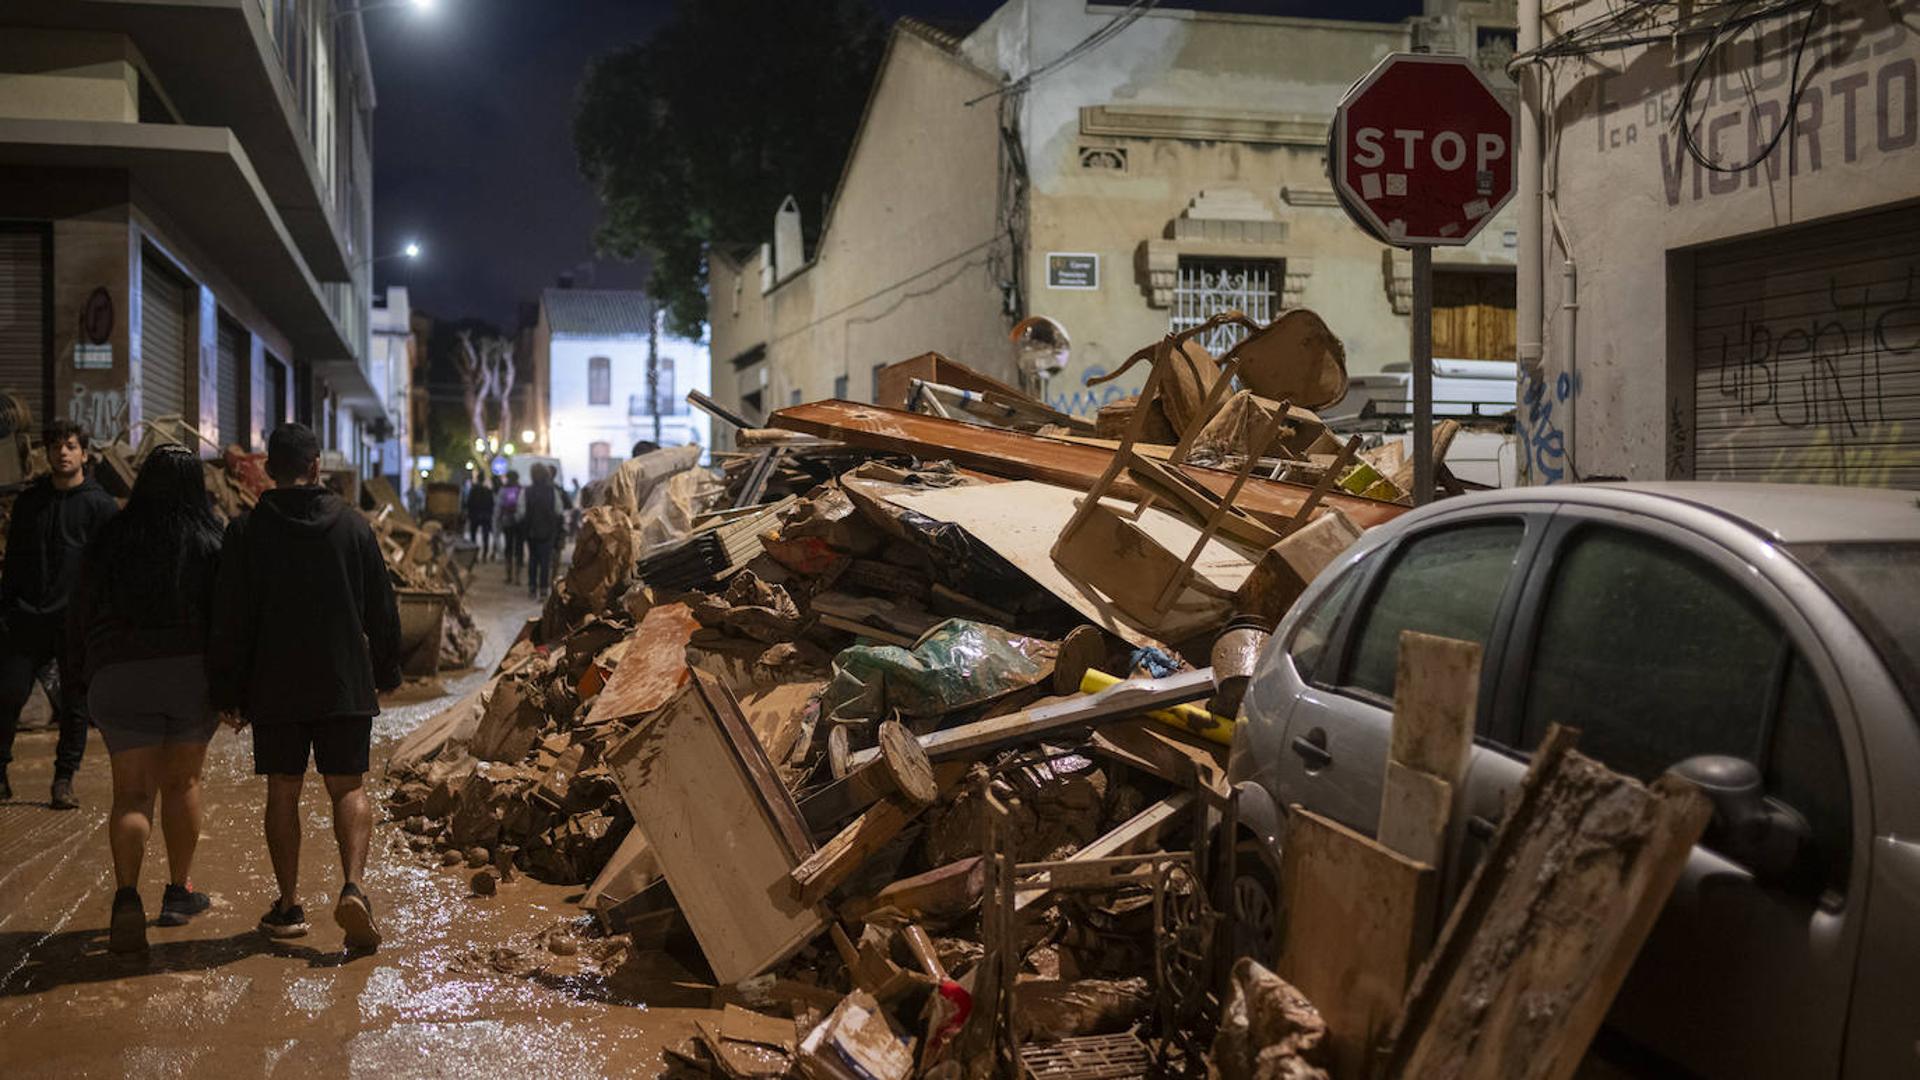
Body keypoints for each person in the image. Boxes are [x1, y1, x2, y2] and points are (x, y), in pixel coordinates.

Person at [209, 423, 401, 951]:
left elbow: (230, 618)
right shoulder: (353, 527)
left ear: (270, 470)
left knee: (283, 791)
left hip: (275, 685)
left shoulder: (246, 532)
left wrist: (227, 691)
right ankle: (354, 887)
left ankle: (289, 905)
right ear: (317, 466)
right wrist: (385, 673)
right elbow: (382, 608)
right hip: (342, 681)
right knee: (349, 787)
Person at [68, 445, 222, 952]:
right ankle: (178, 893)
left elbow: (83, 609)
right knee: (183, 784)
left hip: (119, 673)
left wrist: (88, 674)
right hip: (188, 674)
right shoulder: (208, 539)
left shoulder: (111, 536)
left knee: (131, 794)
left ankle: (126, 898)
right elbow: (228, 619)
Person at [0, 419, 118, 808]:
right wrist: (8, 606)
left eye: (70, 446)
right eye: (55, 447)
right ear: (47, 453)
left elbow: (109, 568)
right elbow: (13, 559)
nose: (62, 453)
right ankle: (0, 773)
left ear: (84, 453)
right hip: (26, 618)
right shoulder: (31, 503)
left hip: (74, 621)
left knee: (74, 703)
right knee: (8, 695)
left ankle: (64, 780)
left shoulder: (100, 506)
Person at [522, 464, 564, 600]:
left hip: (531, 531)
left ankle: (532, 588)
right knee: (545, 562)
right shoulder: (553, 491)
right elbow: (559, 511)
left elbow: (521, 512)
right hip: (548, 532)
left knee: (533, 560)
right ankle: (544, 590)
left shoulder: (527, 491)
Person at [497, 470, 524, 585]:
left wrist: (498, 520)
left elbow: (499, 506)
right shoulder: (521, 490)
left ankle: (509, 575)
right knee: (519, 549)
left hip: (507, 521)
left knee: (508, 548)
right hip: (519, 523)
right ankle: (518, 577)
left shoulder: (503, 490)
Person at [466, 475, 495, 562]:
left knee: (473, 536)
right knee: (485, 536)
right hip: (486, 516)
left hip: (474, 515)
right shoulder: (488, 491)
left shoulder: (473, 490)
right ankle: (484, 555)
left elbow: (469, 503)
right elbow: (492, 504)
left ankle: (474, 556)